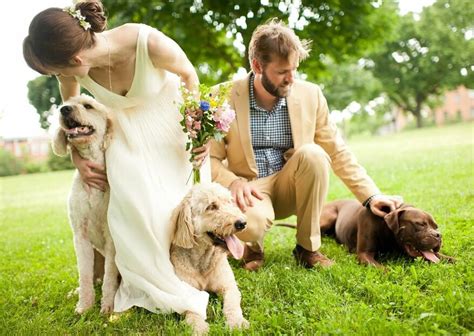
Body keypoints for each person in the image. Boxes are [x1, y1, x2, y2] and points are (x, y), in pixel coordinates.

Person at [23, 1, 211, 319]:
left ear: (76, 59)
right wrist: (77, 158)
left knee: (174, 207)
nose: (61, 77)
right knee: (130, 199)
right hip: (124, 138)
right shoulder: (71, 75)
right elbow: (73, 117)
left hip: (172, 131)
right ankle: (146, 282)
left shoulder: (147, 42)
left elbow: (189, 74)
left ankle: (189, 272)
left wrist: (199, 132)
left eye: (59, 70)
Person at [210, 19, 402, 272]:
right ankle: (252, 246)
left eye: (295, 69)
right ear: (257, 66)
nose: (291, 78)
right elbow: (209, 159)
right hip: (250, 190)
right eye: (282, 72)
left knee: (313, 153)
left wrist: (371, 196)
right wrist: (233, 182)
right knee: (250, 225)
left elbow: (337, 150)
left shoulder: (311, 94)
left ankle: (307, 249)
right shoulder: (221, 98)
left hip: (293, 183)